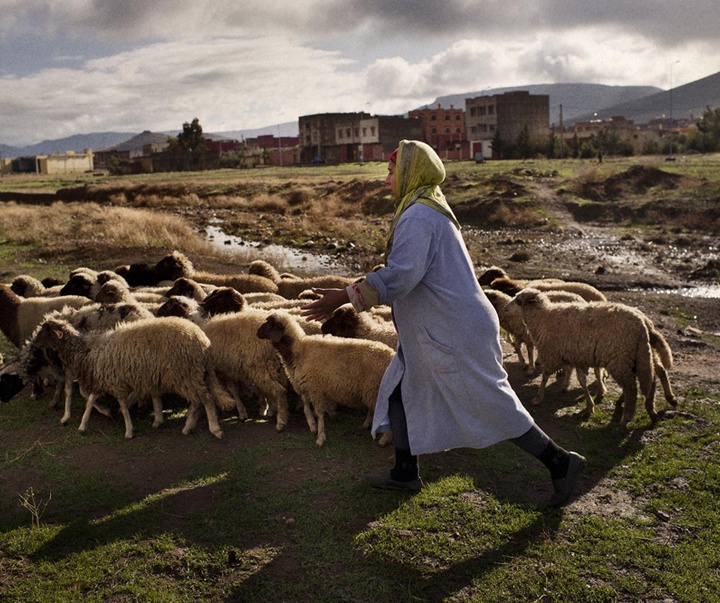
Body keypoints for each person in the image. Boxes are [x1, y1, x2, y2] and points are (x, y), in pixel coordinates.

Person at [301, 140, 584, 507]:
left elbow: (402, 276)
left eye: (391, 170)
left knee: (490, 402)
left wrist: (344, 297)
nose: (386, 178)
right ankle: (405, 472)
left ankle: (560, 462)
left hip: (453, 330)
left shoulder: (418, 216)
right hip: (440, 327)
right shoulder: (426, 208)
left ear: (409, 173)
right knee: (401, 390)